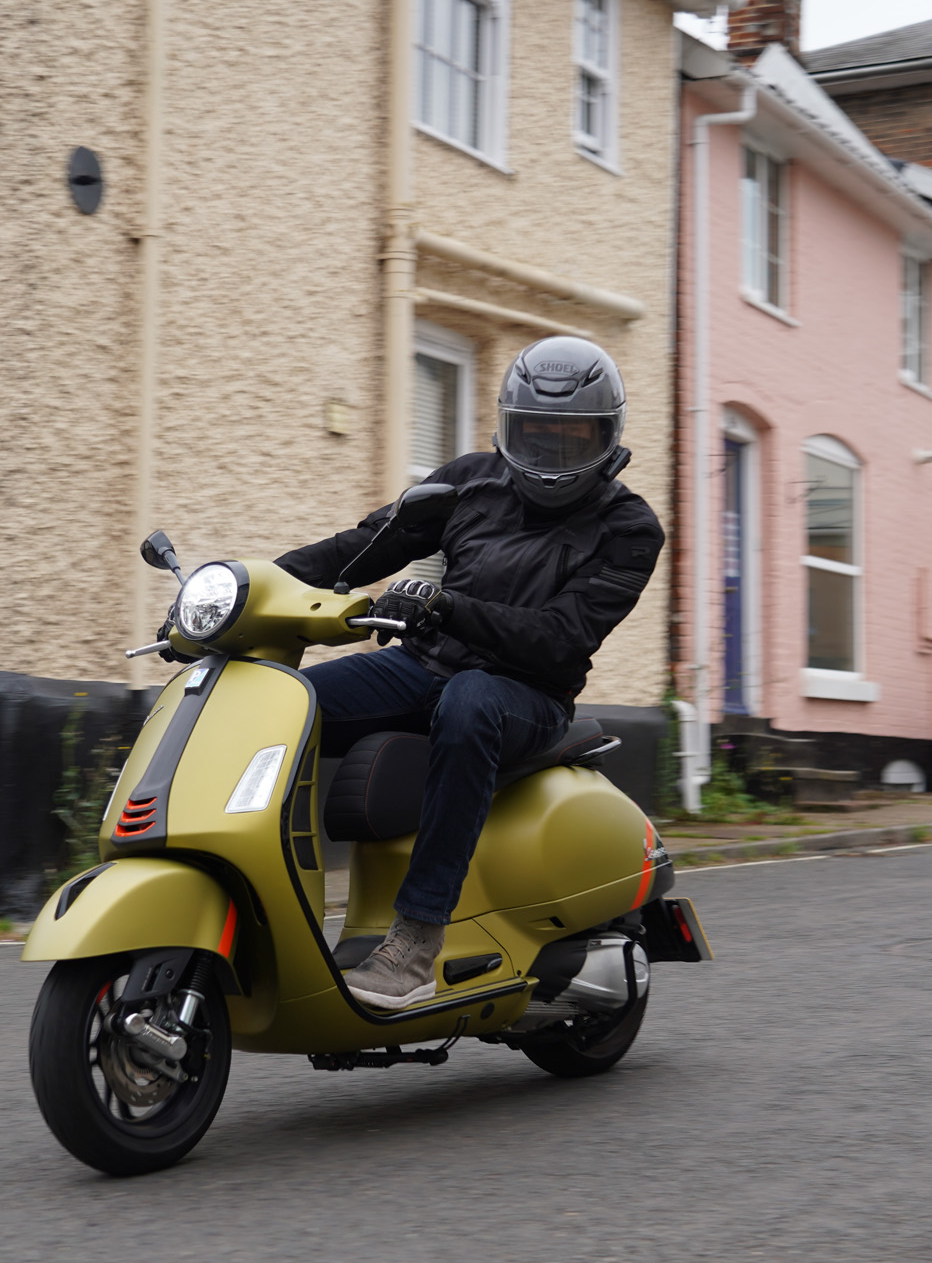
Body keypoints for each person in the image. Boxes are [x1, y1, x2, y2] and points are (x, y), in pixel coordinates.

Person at [273, 336, 663, 1010]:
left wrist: (446, 605)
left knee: (470, 701)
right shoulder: (469, 481)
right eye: (534, 436)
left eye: (570, 440)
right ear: (508, 427)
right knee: (278, 701)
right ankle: (270, 909)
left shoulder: (630, 528)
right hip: (425, 668)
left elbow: (559, 639)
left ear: (607, 436)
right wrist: (245, 589)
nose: (549, 455)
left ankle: (416, 942)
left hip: (528, 696)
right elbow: (361, 547)